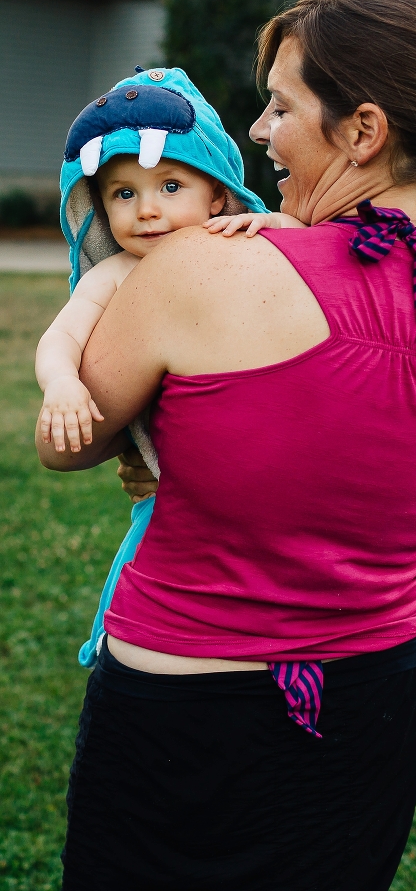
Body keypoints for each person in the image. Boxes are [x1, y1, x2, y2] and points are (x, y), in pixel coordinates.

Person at [36, 0, 416, 891]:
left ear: (363, 131)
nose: (259, 132)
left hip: (185, 706)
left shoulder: (202, 269)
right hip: (384, 691)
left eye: (279, 106)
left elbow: (66, 440)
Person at [35, 68, 271, 668]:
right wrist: (63, 382)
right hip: (166, 481)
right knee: (153, 565)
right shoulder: (114, 276)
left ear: (218, 193)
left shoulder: (242, 243)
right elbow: (59, 337)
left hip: (259, 468)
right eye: (123, 194)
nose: (147, 211)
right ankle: (116, 642)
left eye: (171, 186)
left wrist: (274, 220)